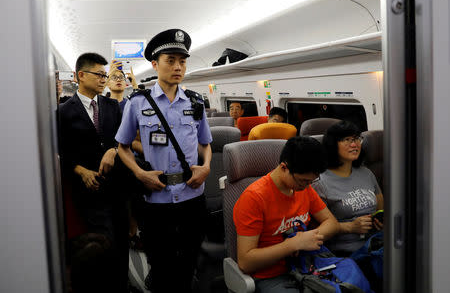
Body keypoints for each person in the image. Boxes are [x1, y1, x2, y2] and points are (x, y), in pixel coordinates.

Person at [115, 29, 213, 293]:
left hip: (193, 196)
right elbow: (122, 147)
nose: (178, 66)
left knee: (189, 260)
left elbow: (206, 143)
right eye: (171, 60)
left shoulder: (195, 102)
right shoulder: (136, 103)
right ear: (155, 64)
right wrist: (138, 173)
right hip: (155, 199)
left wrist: (206, 167)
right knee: (161, 263)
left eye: (182, 61)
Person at [58, 52, 128, 292]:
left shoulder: (112, 106)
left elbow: (124, 140)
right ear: (81, 75)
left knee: (122, 242)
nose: (103, 79)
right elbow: (61, 152)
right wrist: (81, 171)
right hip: (89, 191)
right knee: (103, 243)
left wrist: (114, 150)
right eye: (99, 74)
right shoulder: (64, 112)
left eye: (104, 75)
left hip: (117, 189)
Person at [233, 136, 339, 293]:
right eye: (303, 181)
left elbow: (332, 224)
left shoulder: (303, 187)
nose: (307, 186)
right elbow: (245, 261)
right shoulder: (254, 198)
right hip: (272, 276)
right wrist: (293, 245)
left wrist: (307, 239)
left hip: (307, 264)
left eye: (311, 182)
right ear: (284, 167)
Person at [312, 120, 384, 257]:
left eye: (357, 139)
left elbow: (380, 207)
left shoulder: (366, 173)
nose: (354, 144)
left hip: (376, 243)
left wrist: (380, 220)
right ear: (333, 145)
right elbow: (316, 230)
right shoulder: (320, 182)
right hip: (345, 251)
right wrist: (351, 227)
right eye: (347, 140)